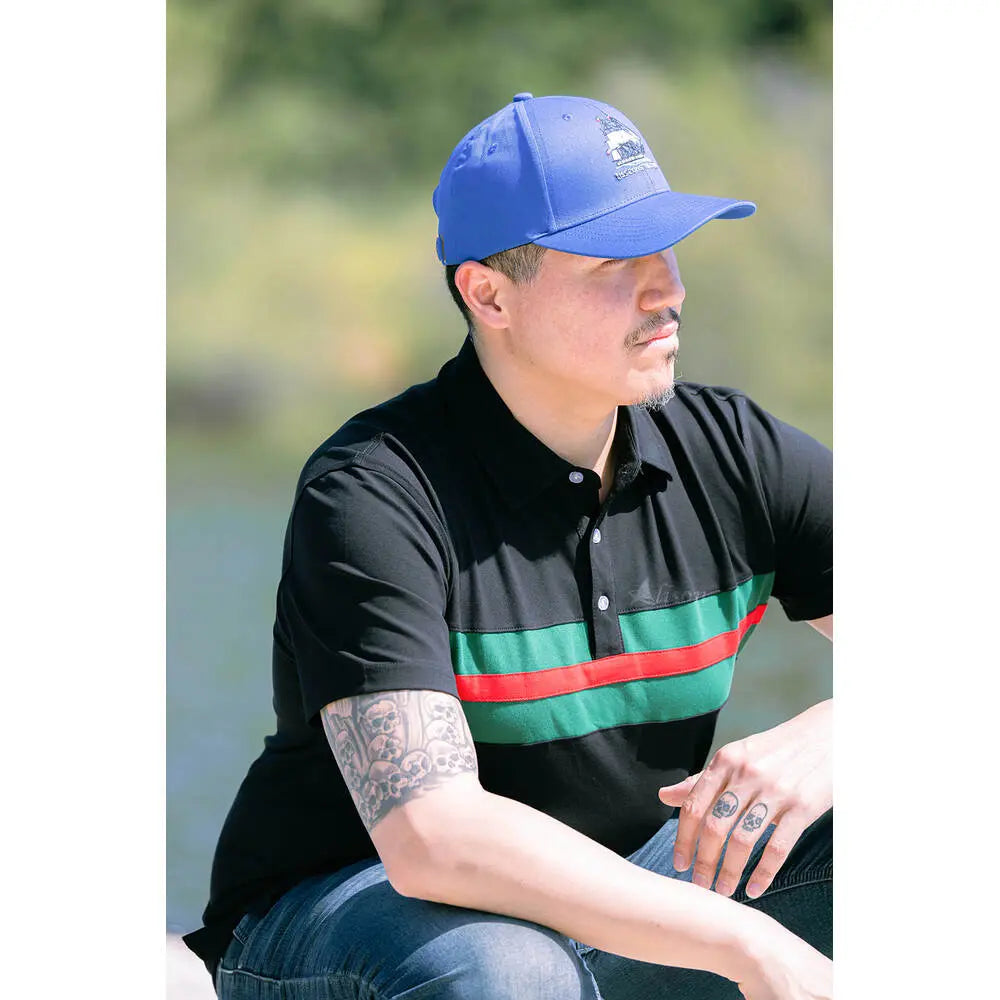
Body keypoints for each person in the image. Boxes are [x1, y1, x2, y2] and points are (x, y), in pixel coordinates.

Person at [184, 92, 833, 1000]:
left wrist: (841, 731)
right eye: (617, 261)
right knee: (509, 968)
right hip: (361, 921)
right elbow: (433, 839)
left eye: (668, 248)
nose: (668, 289)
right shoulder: (374, 491)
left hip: (630, 901)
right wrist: (749, 944)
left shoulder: (733, 451)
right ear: (487, 293)